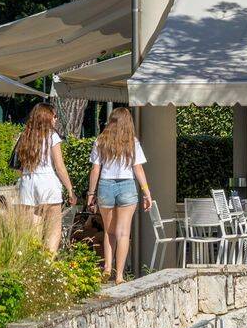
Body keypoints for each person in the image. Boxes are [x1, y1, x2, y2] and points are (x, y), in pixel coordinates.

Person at [86, 108, 151, 284]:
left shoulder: (101, 140)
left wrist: (91, 194)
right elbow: (138, 168)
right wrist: (147, 193)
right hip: (127, 186)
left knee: (109, 231)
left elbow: (95, 169)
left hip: (106, 185)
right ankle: (120, 276)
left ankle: (107, 269)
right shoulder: (132, 142)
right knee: (123, 233)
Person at [14, 103, 77, 253]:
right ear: (47, 117)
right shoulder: (52, 135)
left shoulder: (24, 136)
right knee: (53, 227)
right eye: (54, 116)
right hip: (47, 181)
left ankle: (36, 264)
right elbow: (60, 167)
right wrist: (70, 189)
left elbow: (18, 167)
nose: (56, 119)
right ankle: (49, 262)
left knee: (33, 230)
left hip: (27, 182)